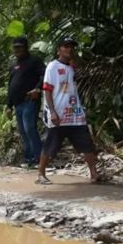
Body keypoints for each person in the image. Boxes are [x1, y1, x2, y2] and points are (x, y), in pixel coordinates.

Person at [37, 36, 99, 184]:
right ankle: (41, 174)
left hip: (74, 113)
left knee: (86, 144)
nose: (70, 49)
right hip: (58, 113)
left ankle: (94, 174)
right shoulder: (52, 67)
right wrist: (52, 111)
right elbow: (47, 90)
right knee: (51, 144)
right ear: (59, 49)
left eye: (71, 46)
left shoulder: (72, 67)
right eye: (66, 46)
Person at [5, 36, 46, 169]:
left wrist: (37, 89)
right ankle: (29, 158)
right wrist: (8, 105)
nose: (17, 50)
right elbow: (11, 85)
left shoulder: (34, 61)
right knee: (23, 131)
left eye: (20, 47)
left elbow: (44, 75)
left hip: (29, 101)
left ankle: (38, 158)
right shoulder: (14, 64)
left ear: (25, 47)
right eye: (15, 47)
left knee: (30, 129)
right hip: (17, 103)